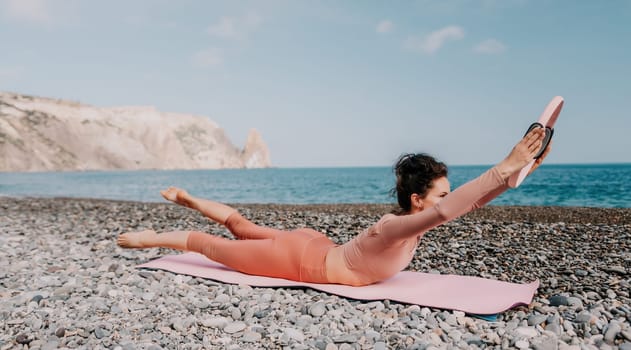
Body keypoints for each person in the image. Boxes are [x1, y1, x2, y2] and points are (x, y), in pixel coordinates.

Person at [118, 127, 551, 286]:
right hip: (301, 259)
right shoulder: (393, 226)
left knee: (242, 226)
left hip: (316, 247)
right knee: (213, 245)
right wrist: (501, 166)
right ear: (417, 200)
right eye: (440, 193)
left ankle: (190, 198)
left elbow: (465, 204)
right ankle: (151, 236)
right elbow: (446, 210)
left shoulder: (413, 219)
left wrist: (517, 174)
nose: (445, 200)